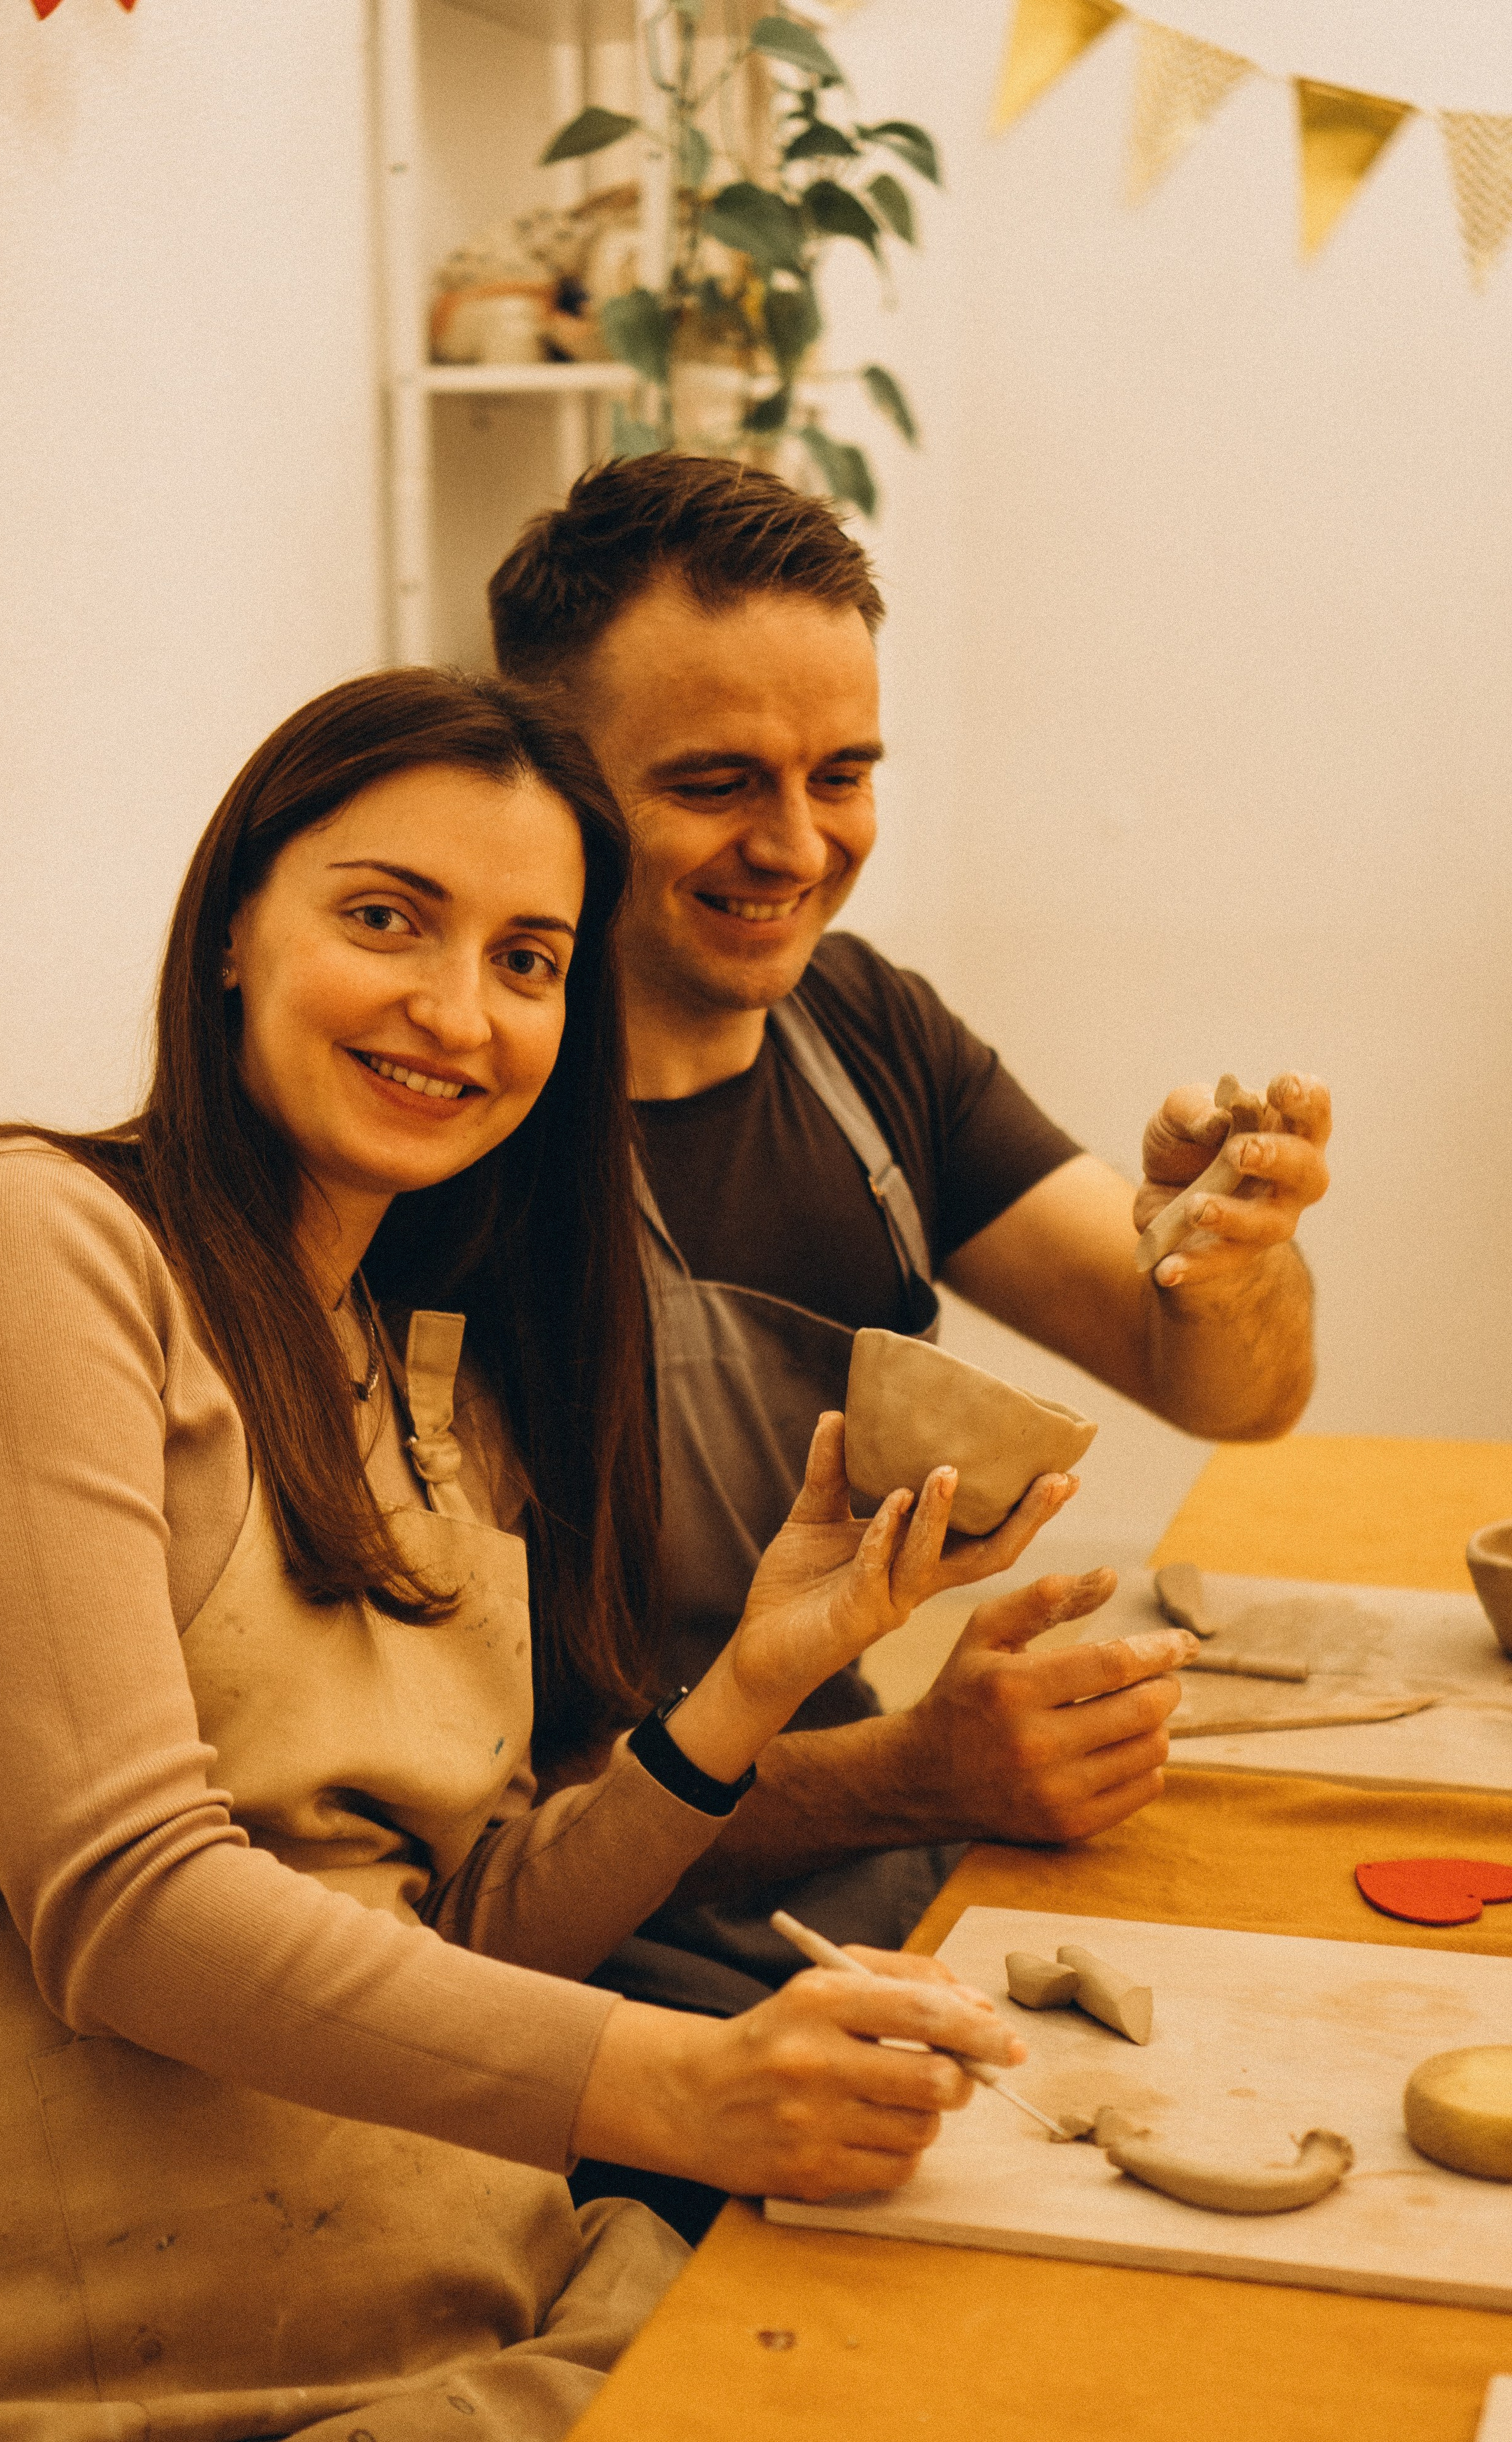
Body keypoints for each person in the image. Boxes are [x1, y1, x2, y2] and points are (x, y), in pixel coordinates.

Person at [0, 671, 1068, 2439]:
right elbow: (127, 1911)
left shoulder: (431, 1372)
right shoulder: (26, 1243)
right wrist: (687, 2092)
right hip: (118, 2368)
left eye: (528, 960)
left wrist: (755, 1678)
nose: (458, 1011)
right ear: (231, 930)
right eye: (387, 919)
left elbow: (469, 1924)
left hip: (480, 2292)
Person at [487, 454, 1331, 2031]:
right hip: (571, 2000)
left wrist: (1235, 1256)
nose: (798, 847)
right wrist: (908, 1767)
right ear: (547, 771)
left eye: (842, 773)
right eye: (714, 781)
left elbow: (1226, 1391)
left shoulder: (858, 1031)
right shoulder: (459, 1150)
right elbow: (477, 1851)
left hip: (865, 1896)